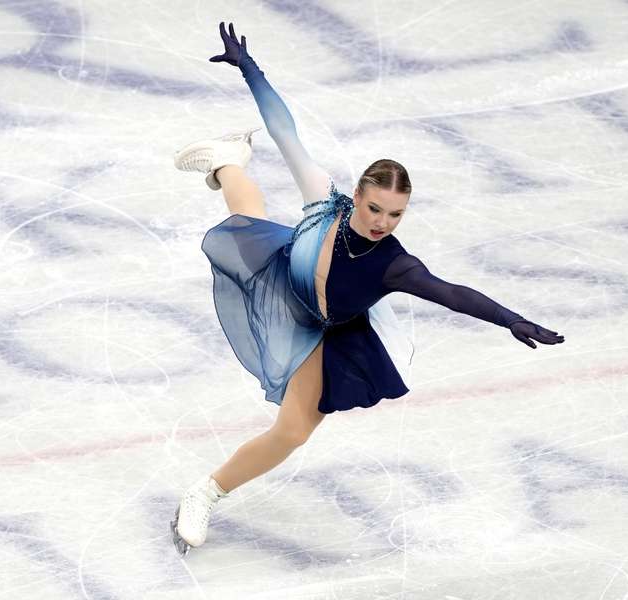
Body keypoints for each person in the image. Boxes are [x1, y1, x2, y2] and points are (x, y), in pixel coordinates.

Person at [169, 22, 565, 556]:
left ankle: (205, 491)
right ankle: (227, 157)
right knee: (247, 222)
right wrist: (250, 69)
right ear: (357, 194)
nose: (382, 222)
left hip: (322, 329)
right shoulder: (322, 199)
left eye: (395, 214)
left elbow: (452, 292)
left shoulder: (394, 267)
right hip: (285, 272)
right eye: (375, 207)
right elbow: (285, 130)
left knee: (291, 432)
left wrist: (509, 318)